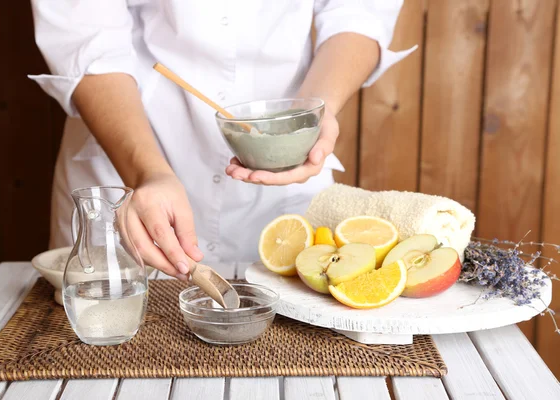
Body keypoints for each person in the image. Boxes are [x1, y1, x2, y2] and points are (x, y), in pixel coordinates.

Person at [29, 0, 415, 280]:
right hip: (125, 161)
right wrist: (147, 172)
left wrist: (312, 113)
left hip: (283, 193)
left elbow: (359, 13)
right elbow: (86, 35)